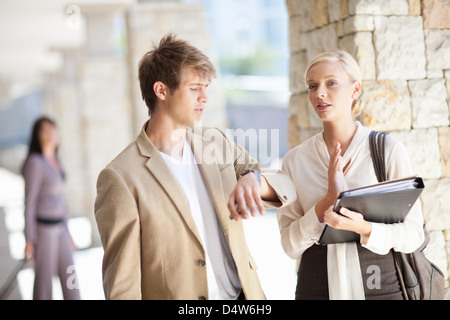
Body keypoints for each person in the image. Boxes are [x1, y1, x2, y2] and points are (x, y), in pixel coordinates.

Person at [94, 33, 296, 300]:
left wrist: (253, 179)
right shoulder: (121, 177)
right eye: (194, 88)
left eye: (206, 88)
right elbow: (123, 285)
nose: (204, 98)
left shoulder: (216, 142)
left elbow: (283, 182)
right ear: (161, 90)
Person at [277, 50, 424, 300]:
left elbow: (414, 235)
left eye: (331, 83)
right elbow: (289, 246)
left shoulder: (387, 150)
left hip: (381, 287)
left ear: (355, 90)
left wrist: (364, 229)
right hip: (316, 288)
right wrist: (327, 202)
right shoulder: (296, 160)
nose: (319, 93)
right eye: (313, 86)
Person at [22, 116, 80, 300]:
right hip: (43, 231)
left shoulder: (57, 160)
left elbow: (61, 200)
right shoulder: (35, 163)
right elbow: (29, 202)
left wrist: (69, 232)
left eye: (52, 130)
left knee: (71, 277)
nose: (50, 134)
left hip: (61, 229)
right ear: (37, 136)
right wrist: (29, 239)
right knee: (44, 283)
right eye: (44, 130)